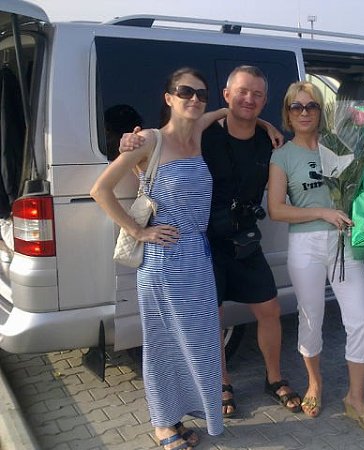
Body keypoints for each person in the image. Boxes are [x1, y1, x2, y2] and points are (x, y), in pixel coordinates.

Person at [119, 65, 301, 418]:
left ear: (266, 100)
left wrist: (267, 125)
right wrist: (131, 141)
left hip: (245, 240)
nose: (249, 99)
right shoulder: (203, 134)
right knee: (211, 316)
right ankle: (222, 383)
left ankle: (274, 377)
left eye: (257, 94)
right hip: (205, 243)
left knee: (269, 309)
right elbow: (161, 142)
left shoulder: (270, 141)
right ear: (226, 95)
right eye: (242, 92)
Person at [91, 67, 227, 449]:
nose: (195, 99)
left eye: (201, 94)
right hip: (164, 260)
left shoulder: (197, 133)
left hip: (197, 257)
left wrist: (265, 124)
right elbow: (100, 190)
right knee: (164, 343)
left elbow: (225, 112)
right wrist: (138, 231)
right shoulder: (150, 140)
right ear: (169, 98)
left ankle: (180, 413)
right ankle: (163, 424)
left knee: (199, 342)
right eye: (185, 92)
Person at [267, 81, 364, 435]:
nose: (304, 112)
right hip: (306, 245)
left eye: (311, 106)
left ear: (322, 111)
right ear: (288, 113)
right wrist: (321, 212)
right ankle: (315, 383)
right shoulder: (282, 156)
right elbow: (276, 209)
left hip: (344, 242)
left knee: (360, 319)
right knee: (311, 317)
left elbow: (363, 188)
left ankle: (356, 398)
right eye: (296, 107)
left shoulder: (340, 145)